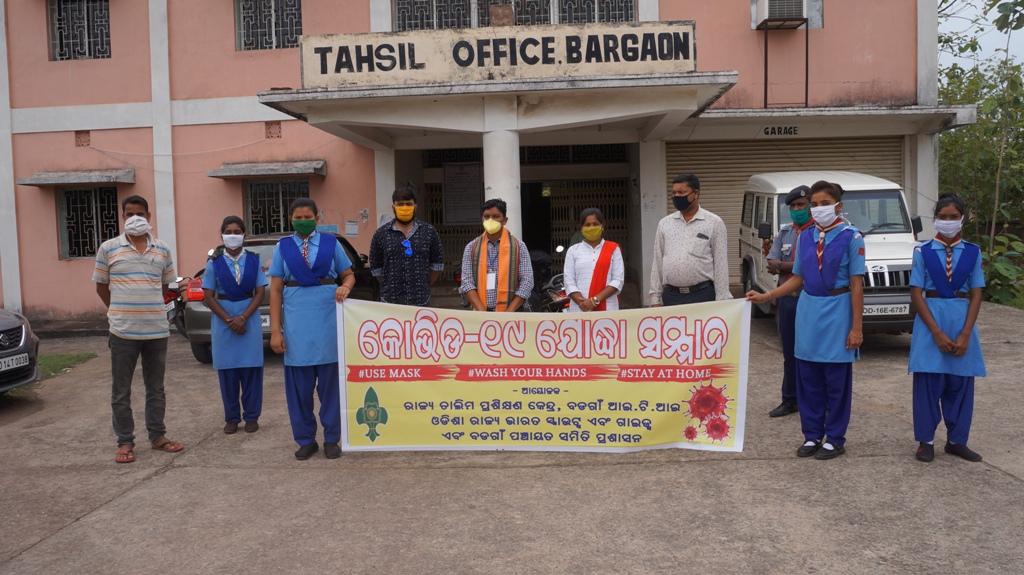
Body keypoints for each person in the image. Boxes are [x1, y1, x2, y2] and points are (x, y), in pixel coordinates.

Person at [746, 180, 865, 460]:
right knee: (808, 376)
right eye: (815, 204)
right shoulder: (806, 236)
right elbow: (798, 277)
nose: (818, 209)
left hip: (837, 309)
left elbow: (857, 284)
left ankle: (834, 437)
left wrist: (857, 327)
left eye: (825, 204)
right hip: (808, 310)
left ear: (838, 206)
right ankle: (812, 435)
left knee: (835, 380)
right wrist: (768, 296)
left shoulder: (851, 237)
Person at [93, 195, 184, 464]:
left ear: (149, 216)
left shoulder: (162, 249)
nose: (135, 218)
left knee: (156, 388)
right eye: (129, 213)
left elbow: (168, 287)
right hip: (122, 332)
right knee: (121, 391)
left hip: (156, 330)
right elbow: (100, 286)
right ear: (122, 217)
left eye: (140, 214)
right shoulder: (109, 248)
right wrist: (117, 310)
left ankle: (158, 436)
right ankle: (125, 440)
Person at [268, 198, 356, 460]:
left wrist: (346, 287)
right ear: (291, 219)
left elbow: (349, 274)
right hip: (296, 329)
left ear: (317, 218)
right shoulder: (283, 247)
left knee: (331, 390)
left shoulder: (332, 244)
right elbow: (274, 289)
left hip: (328, 325)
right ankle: (305, 439)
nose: (303, 221)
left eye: (308, 216)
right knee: (299, 392)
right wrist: (275, 331)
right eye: (298, 216)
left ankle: (331, 439)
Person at [908, 194, 986, 463]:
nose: (948, 221)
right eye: (943, 217)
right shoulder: (923, 251)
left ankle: (957, 441)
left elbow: (976, 293)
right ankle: (925, 441)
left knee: (960, 382)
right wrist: (937, 333)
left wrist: (965, 333)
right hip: (932, 321)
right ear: (936, 219)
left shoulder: (973, 252)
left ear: (962, 219)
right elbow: (916, 293)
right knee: (929, 382)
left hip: (961, 320)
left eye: (954, 217)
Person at [202, 216, 268, 435]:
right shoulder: (214, 263)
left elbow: (260, 292)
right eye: (228, 231)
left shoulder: (254, 260)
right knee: (228, 373)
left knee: (251, 371)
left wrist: (243, 317)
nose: (233, 235)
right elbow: (208, 296)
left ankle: (251, 417)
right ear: (222, 235)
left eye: (237, 231)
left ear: (244, 234)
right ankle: (231, 418)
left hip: (248, 320)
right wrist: (229, 319)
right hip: (224, 322)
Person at [765, 185, 815, 418]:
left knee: (811, 352)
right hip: (787, 300)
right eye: (793, 206)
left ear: (810, 207)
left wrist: (785, 266)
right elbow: (771, 261)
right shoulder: (785, 233)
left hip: (811, 301)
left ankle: (812, 399)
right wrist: (792, 266)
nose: (797, 210)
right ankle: (789, 399)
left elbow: (808, 268)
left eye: (801, 206)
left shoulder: (817, 232)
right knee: (789, 353)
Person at [649, 173, 731, 306]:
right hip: (671, 297)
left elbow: (721, 264)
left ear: (696, 194)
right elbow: (657, 262)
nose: (677, 197)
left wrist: (722, 301)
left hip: (703, 296)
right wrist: (655, 298)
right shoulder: (664, 224)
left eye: (681, 193)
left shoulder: (714, 223)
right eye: (674, 193)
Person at [369, 185, 444, 306]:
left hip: (421, 302)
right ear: (393, 207)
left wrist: (424, 282)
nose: (404, 208)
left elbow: (437, 265)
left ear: (415, 206)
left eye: (409, 204)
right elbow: (376, 268)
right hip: (390, 303)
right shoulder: (381, 234)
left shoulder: (429, 231)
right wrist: (390, 283)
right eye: (400, 204)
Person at [459, 198, 534, 312]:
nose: (490, 220)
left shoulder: (519, 246)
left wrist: (508, 312)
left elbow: (527, 282)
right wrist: (482, 312)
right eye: (486, 216)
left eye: (496, 216)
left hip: (513, 313)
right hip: (481, 314)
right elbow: (467, 283)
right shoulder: (472, 247)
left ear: (505, 220)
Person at [563, 208, 625, 312]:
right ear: (581, 228)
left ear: (602, 226)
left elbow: (618, 280)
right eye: (587, 225)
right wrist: (581, 302)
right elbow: (569, 281)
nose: (591, 227)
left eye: (595, 224)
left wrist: (594, 301)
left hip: (607, 308)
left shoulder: (613, 249)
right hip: (580, 309)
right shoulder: (573, 250)